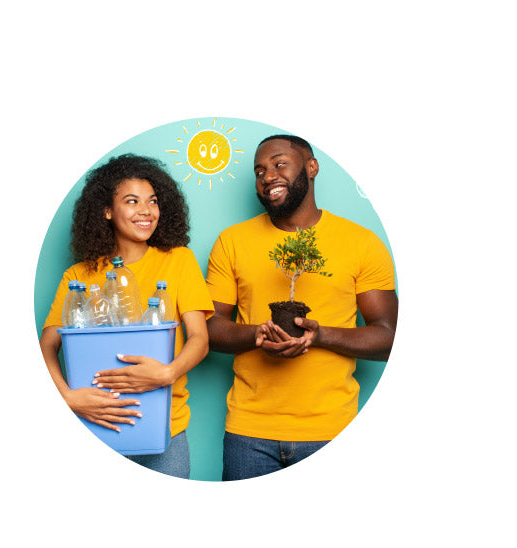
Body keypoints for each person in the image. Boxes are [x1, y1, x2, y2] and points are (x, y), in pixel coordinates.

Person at [206, 134, 398, 481]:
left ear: (311, 168)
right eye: (259, 171)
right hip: (249, 430)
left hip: (333, 429)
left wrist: (320, 335)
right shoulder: (232, 241)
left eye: (280, 164)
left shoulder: (361, 243)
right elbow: (210, 327)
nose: (268, 176)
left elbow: (389, 338)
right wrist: (259, 334)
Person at [40, 154, 214, 479]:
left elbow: (200, 339)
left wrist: (167, 374)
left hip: (164, 430)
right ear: (107, 210)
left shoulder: (178, 261)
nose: (146, 211)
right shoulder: (78, 276)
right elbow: (47, 345)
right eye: (132, 201)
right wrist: (68, 398)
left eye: (153, 201)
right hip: (93, 429)